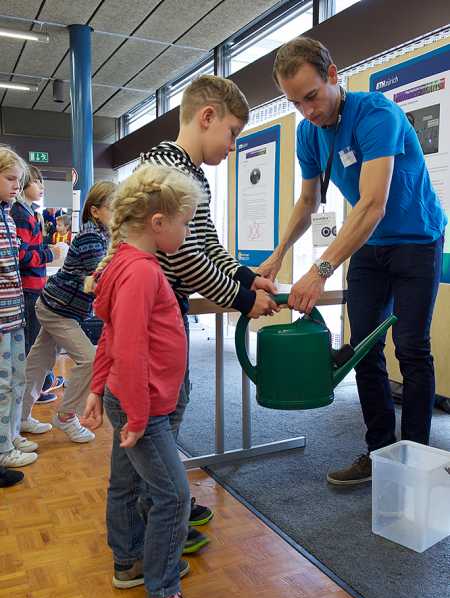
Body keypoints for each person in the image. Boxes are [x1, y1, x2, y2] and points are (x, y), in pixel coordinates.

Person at [258, 37, 446, 486]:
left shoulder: (377, 114)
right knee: (363, 347)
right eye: (294, 102)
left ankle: (417, 461)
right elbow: (307, 200)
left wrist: (321, 270)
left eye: (311, 96)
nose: (307, 110)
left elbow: (372, 204)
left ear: (333, 76)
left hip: (417, 240)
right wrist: (279, 254)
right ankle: (380, 451)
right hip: (369, 247)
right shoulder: (308, 132)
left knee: (412, 347)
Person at [140, 74, 279, 548]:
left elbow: (208, 248)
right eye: (233, 133)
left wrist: (245, 276)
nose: (234, 145)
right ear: (207, 117)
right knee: (158, 410)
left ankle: (163, 501)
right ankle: (160, 511)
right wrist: (242, 299)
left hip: (168, 305)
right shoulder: (167, 168)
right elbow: (182, 257)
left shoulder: (192, 175)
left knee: (173, 400)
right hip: (151, 308)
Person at [82, 164, 203, 598]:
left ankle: (130, 560)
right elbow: (127, 346)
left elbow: (111, 337)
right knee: (173, 495)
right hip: (143, 407)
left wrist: (96, 389)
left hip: (132, 400)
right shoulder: (139, 272)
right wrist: (134, 414)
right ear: (158, 222)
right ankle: (161, 591)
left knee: (126, 482)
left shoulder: (129, 264)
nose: (187, 230)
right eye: (185, 222)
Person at [20, 181, 116, 443]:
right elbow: (101, 278)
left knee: (38, 363)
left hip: (57, 307)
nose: (119, 213)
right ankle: (66, 416)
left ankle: (20, 417)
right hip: (57, 309)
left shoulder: (104, 235)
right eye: (113, 207)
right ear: (95, 211)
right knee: (90, 359)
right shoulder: (90, 236)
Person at [11, 164, 63, 418]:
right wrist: (48, 253)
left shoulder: (27, 213)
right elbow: (20, 256)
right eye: (37, 182)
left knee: (35, 341)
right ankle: (36, 392)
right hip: (28, 289)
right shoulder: (20, 214)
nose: (42, 187)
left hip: (34, 287)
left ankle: (39, 388)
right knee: (33, 344)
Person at [0, 145, 37, 470]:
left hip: (15, 314)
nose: (16, 185)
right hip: (2, 317)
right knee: (2, 384)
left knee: (17, 379)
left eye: (19, 180)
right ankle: (2, 448)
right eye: (10, 178)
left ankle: (11, 435)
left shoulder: (9, 218)